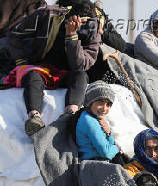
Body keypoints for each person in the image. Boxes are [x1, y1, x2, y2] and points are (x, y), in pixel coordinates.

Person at [10, 0, 101, 136]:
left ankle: (70, 115)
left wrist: (72, 37)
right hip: (43, 68)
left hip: (70, 72)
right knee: (33, 77)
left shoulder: (92, 30)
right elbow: (15, 34)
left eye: (84, 22)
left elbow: (80, 65)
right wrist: (22, 61)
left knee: (81, 76)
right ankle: (34, 117)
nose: (81, 24)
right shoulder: (46, 16)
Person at [75, 81, 123, 163]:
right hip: (93, 165)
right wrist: (117, 148)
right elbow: (106, 153)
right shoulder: (89, 120)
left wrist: (108, 133)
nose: (104, 108)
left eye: (108, 104)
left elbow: (109, 144)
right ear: (90, 102)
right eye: (100, 102)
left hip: (99, 162)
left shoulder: (95, 118)